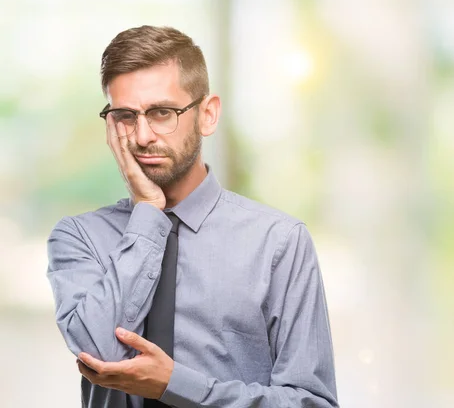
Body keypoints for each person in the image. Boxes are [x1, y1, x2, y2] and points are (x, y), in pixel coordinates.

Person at [46, 25, 338, 408]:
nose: (143, 136)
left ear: (207, 115)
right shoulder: (79, 237)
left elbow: (312, 403)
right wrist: (149, 210)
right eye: (125, 116)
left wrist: (176, 384)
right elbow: (99, 356)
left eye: (162, 112)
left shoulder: (278, 242)